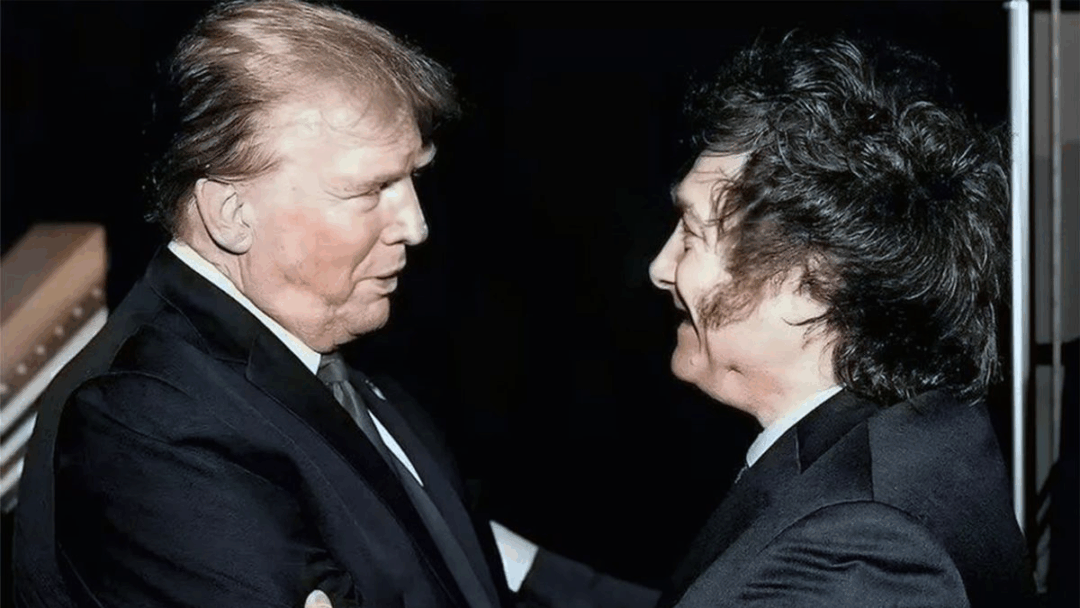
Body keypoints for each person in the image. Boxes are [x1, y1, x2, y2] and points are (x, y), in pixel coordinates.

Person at [12, 2, 658, 607]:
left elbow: (472, 561)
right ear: (232, 213)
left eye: (413, 178)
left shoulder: (332, 364)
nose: (415, 225)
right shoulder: (147, 417)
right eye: (370, 190)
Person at [647, 31, 1036, 607]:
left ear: (814, 284)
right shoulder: (899, 431)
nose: (660, 268)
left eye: (694, 235)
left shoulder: (865, 548)